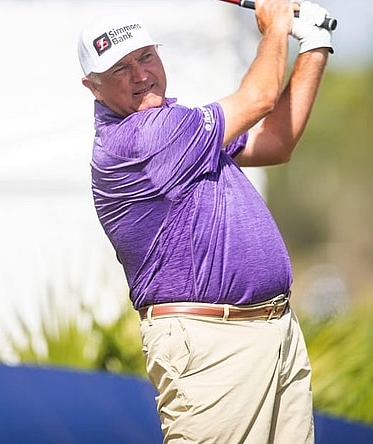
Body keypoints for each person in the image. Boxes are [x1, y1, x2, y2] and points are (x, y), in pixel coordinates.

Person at [77, 0, 333, 442]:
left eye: (145, 56)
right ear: (92, 87)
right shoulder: (143, 138)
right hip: (210, 346)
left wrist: (314, 43)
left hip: (273, 331)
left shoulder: (179, 127)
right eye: (120, 69)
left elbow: (275, 143)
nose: (141, 75)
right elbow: (259, 99)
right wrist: (275, 26)